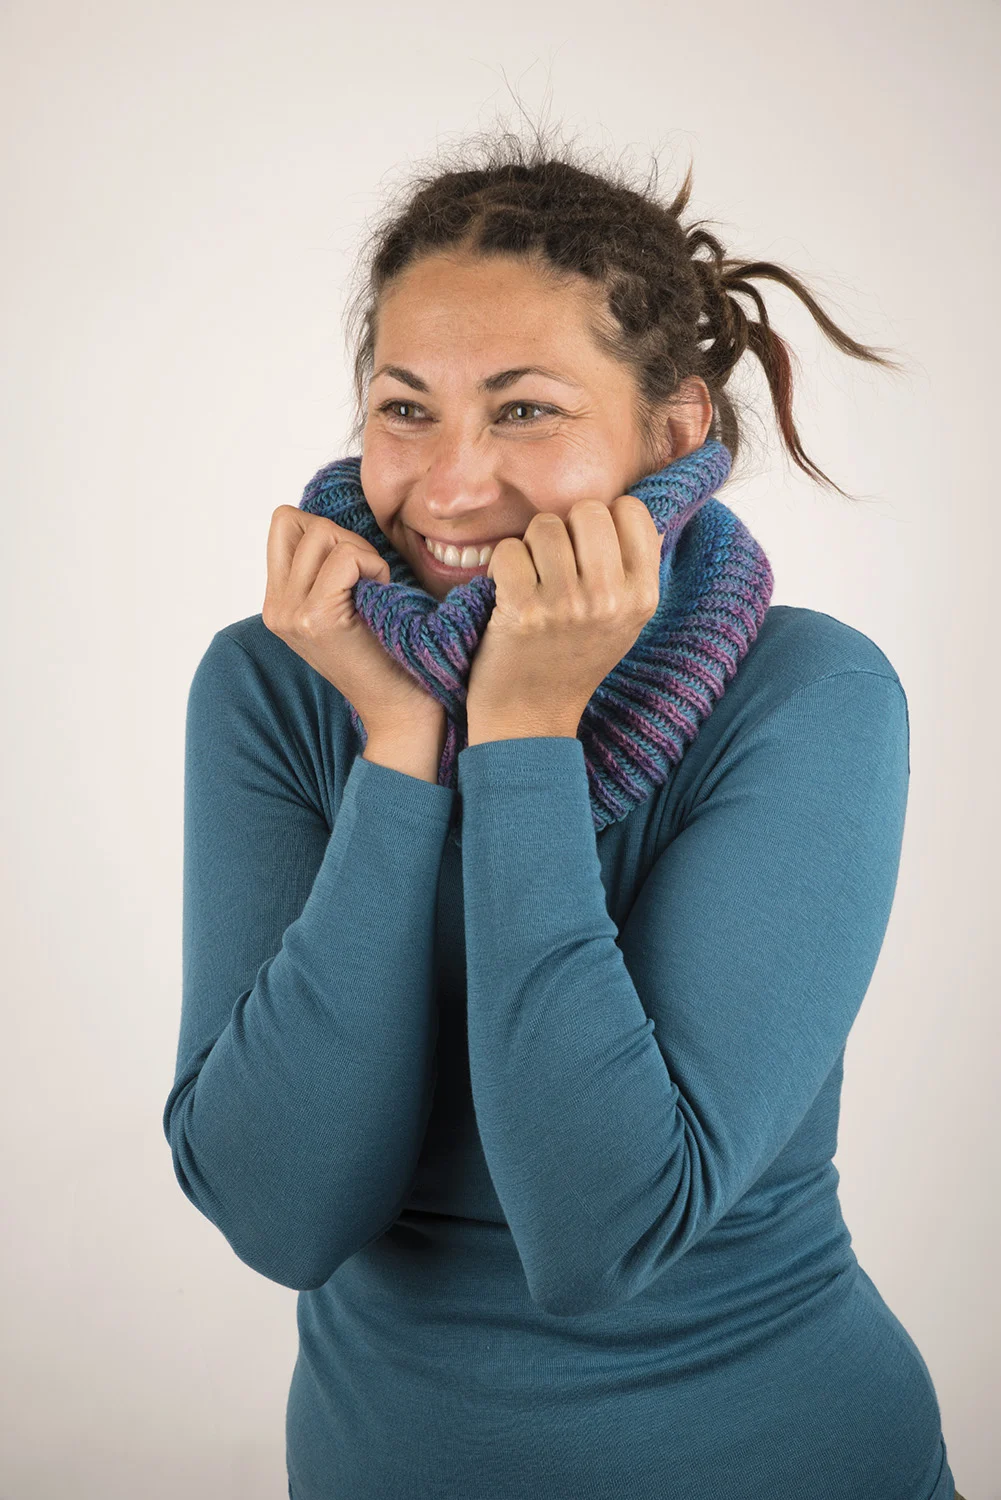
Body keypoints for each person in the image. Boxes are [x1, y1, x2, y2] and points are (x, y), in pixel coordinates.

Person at [162, 125, 961, 1499]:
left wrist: (523, 734)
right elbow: (283, 1215)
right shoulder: (281, 681)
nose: (452, 486)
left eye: (525, 411)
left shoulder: (807, 697)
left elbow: (606, 1235)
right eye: (407, 408)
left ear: (675, 431)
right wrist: (401, 743)